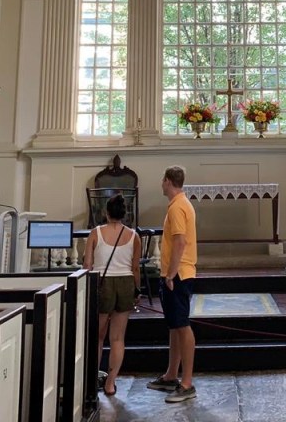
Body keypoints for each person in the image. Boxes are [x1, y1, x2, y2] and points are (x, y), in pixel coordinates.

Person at [146, 165, 198, 403]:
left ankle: (186, 383)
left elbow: (179, 242)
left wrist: (170, 274)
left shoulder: (178, 207)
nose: (161, 184)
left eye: (162, 180)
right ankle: (170, 376)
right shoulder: (181, 204)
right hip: (177, 273)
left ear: (168, 181)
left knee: (182, 326)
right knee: (174, 326)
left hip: (178, 275)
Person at [83, 193, 141, 396]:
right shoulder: (134, 236)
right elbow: (135, 268)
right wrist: (137, 290)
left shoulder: (96, 233)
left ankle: (91, 381)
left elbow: (87, 265)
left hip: (102, 283)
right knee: (117, 338)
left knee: (97, 337)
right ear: (124, 214)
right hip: (125, 283)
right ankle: (110, 383)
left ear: (106, 213)